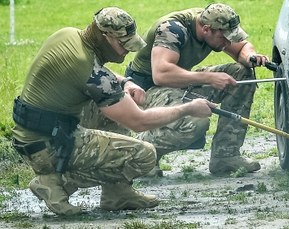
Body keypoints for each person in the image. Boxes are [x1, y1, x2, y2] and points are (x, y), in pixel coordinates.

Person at [11, 6, 214, 216]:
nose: (127, 50)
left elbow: (94, 71)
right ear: (104, 36)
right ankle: (56, 183)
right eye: (123, 44)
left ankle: (118, 193)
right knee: (144, 154)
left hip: (38, 133)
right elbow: (139, 121)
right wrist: (188, 108)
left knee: (117, 107)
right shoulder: (93, 74)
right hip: (48, 147)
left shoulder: (69, 35)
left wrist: (125, 82)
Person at [124, 3, 269, 176]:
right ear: (206, 30)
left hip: (179, 81)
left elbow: (242, 47)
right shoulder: (172, 29)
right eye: (224, 38)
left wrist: (250, 57)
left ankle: (226, 156)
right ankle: (140, 154)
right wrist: (209, 78)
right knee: (195, 122)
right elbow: (161, 74)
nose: (228, 42)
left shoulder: (216, 22)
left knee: (240, 73)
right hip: (148, 88)